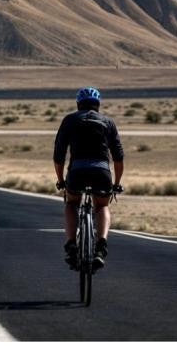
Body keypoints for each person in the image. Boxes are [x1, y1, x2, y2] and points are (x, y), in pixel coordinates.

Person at [53, 87, 124, 270]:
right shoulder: (108, 122)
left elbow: (59, 156)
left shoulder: (69, 120)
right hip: (102, 173)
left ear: (78, 104)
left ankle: (71, 245)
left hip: (77, 172)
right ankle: (101, 246)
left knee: (71, 203)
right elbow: (118, 157)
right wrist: (116, 184)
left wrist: (60, 180)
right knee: (102, 205)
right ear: (98, 105)